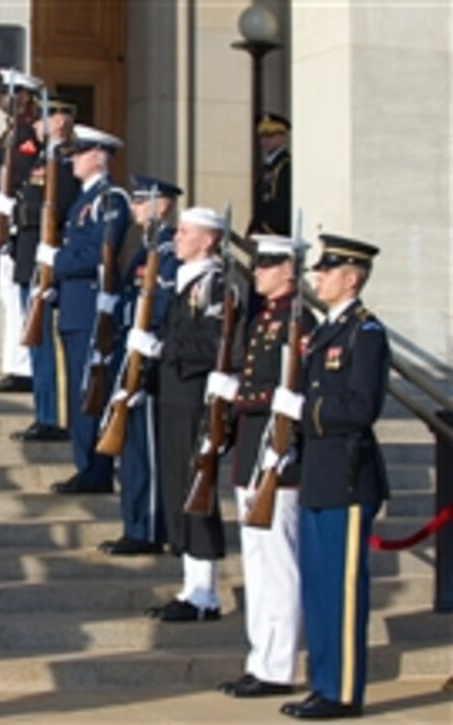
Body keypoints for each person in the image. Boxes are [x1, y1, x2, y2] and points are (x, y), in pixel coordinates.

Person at [274, 235, 388, 719]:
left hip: (346, 476)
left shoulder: (366, 333)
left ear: (352, 278)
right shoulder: (325, 332)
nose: (317, 277)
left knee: (342, 593)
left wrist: (304, 409)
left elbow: (362, 407)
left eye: (327, 270)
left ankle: (342, 691)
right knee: (318, 590)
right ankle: (323, 683)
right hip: (319, 474)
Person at [211, 234, 316, 697]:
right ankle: (261, 658)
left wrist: (238, 395)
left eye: (267, 265)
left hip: (276, 455)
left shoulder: (298, 319)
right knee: (256, 562)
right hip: (252, 452)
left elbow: (290, 393)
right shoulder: (266, 318)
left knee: (277, 565)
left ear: (288, 271)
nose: (257, 272)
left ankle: (278, 665)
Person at [136, 206, 239, 621]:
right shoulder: (188, 281)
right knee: (180, 489)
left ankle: (205, 593)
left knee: (197, 490)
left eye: (184, 232)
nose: (176, 237)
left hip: (195, 398)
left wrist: (162, 349)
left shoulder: (215, 285)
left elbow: (214, 343)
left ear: (209, 240)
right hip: (173, 395)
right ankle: (191, 586)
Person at [37, 124, 129, 495]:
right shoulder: (83, 199)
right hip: (75, 307)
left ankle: (95, 469)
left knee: (91, 391)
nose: (72, 159)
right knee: (78, 392)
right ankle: (85, 465)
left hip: (94, 308)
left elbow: (98, 255)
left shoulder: (111, 200)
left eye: (80, 153)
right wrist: (53, 289)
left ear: (99, 156)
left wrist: (56, 261)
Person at [98, 174, 182, 555]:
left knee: (144, 447)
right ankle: (136, 522)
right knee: (132, 446)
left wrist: (147, 345)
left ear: (160, 205)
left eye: (140, 201)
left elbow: (162, 307)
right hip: (129, 352)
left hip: (148, 359)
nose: (133, 208)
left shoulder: (167, 252)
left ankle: (146, 528)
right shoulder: (145, 249)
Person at [10, 96, 79, 440]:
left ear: (61, 124)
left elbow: (57, 209)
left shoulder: (64, 163)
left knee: (46, 345)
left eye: (47, 117)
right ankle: (43, 412)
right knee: (36, 345)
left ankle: (54, 415)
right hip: (28, 259)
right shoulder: (41, 158)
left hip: (46, 261)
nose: (39, 123)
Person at [0, 70, 39, 394]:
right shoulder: (9, 134)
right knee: (8, 297)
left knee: (17, 300)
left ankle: (22, 368)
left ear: (23, 99)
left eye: (9, 94)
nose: (2, 100)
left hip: (14, 225)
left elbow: (16, 173)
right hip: (0, 224)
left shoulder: (26, 133)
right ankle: (14, 365)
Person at [247, 112, 291, 236]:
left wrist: (270, 229)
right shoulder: (267, 167)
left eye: (270, 135)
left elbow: (283, 204)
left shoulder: (285, 166)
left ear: (283, 137)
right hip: (263, 233)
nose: (265, 140)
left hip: (276, 235)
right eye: (262, 136)